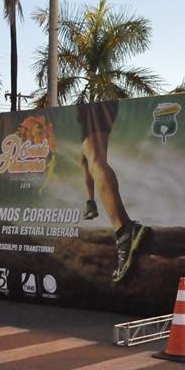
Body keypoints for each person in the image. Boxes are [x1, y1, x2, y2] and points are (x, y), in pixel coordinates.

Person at [77, 100, 150, 282]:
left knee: (95, 159)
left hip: (95, 101)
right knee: (85, 156)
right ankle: (90, 203)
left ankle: (124, 229)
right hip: (92, 102)